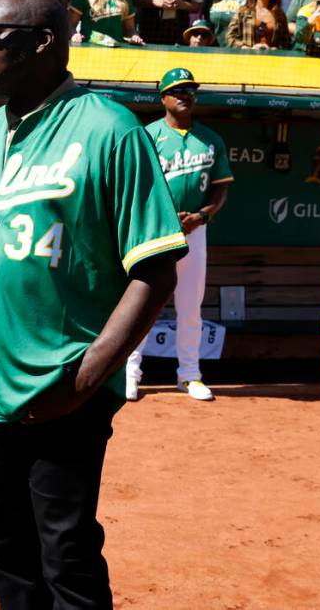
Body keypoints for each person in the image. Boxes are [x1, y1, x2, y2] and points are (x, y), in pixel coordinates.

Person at [0, 0, 185, 608]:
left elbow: (155, 270)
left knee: (64, 551)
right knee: (4, 543)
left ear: (43, 42)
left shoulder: (109, 127)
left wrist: (90, 375)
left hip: (61, 382)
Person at [126, 69, 233, 401]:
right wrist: (165, 217)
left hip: (194, 232)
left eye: (189, 90)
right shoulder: (148, 136)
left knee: (190, 307)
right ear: (163, 98)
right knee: (143, 304)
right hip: (155, 233)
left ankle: (189, 374)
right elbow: (136, 188)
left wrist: (201, 215)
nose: (185, 95)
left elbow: (219, 190)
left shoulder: (211, 139)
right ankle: (130, 371)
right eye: (177, 91)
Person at [226, 0, 291, 50]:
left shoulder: (279, 14)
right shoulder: (243, 11)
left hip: (272, 58)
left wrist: (274, 49)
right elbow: (230, 36)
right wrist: (244, 47)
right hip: (247, 57)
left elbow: (286, 41)